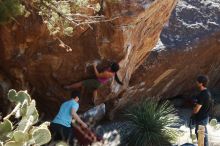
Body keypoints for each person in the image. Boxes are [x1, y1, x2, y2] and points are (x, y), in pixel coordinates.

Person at [191, 75, 212, 146]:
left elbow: (196, 109)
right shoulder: (207, 93)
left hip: (201, 119)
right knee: (203, 136)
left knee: (201, 137)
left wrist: (193, 111)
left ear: (201, 83)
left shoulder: (202, 95)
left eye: (197, 82)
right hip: (205, 117)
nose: (196, 83)